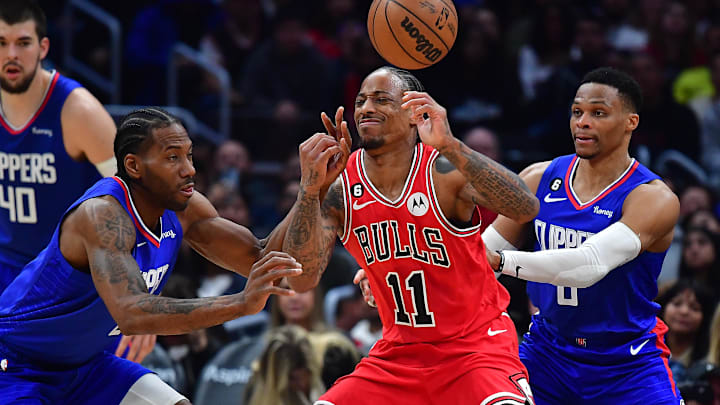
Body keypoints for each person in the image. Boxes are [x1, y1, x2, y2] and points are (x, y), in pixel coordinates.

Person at [0, 107, 348, 404]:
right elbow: (133, 312)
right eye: (172, 158)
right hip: (19, 365)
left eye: (189, 156)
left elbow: (267, 260)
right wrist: (240, 303)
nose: (189, 169)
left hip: (87, 365)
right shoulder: (102, 216)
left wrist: (310, 189)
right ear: (134, 166)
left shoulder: (184, 208)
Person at [284, 66, 539, 404]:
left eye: (380, 99)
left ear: (413, 113)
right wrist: (309, 191)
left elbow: (525, 207)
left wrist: (450, 144)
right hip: (398, 356)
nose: (365, 108)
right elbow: (302, 280)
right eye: (360, 101)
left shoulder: (443, 169)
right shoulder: (342, 186)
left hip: (475, 349)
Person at [482, 67, 683, 403]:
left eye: (598, 113)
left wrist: (501, 261)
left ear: (630, 122)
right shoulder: (537, 178)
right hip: (548, 354)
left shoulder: (653, 198)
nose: (582, 122)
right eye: (577, 112)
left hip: (626, 363)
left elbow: (587, 266)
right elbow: (481, 251)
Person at [0, 0, 159, 364]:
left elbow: (142, 199)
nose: (11, 54)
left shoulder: (77, 111)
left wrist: (145, 295)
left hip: (67, 276)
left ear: (42, 48)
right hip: (7, 268)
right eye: (1, 42)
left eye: (23, 43)